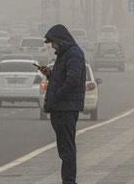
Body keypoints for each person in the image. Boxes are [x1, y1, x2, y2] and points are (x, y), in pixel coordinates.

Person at [37, 24, 86, 184]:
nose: (52, 46)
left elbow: (72, 80)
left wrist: (57, 96)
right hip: (62, 108)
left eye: (53, 42)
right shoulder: (65, 54)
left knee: (67, 150)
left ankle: (69, 181)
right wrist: (50, 74)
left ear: (61, 40)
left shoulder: (73, 54)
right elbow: (62, 78)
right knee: (64, 149)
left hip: (66, 108)